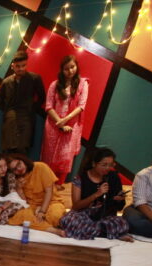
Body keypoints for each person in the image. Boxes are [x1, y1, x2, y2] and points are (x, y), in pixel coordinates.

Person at [59, 148, 131, 240]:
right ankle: (108, 233)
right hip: (84, 216)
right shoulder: (81, 178)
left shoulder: (113, 177)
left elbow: (119, 207)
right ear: (94, 163)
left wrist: (119, 200)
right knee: (68, 220)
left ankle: (89, 231)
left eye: (110, 165)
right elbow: (76, 207)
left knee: (122, 224)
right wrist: (96, 194)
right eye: (104, 165)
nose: (107, 168)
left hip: (105, 217)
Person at [40, 55, 88, 187]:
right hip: (53, 124)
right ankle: (47, 184)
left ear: (76, 66)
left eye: (72, 67)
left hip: (71, 125)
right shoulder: (55, 85)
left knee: (65, 157)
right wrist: (59, 123)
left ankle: (59, 184)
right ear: (62, 70)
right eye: (66, 69)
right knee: (50, 155)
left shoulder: (83, 84)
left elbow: (81, 106)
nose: (70, 71)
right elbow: (49, 106)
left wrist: (65, 120)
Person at [6, 155, 66, 235]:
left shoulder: (41, 167)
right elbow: (25, 202)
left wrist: (42, 211)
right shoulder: (16, 179)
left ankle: (40, 223)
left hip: (52, 202)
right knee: (20, 215)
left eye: (19, 164)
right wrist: (19, 189)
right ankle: (53, 230)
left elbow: (49, 192)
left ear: (23, 160)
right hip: (32, 206)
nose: (19, 169)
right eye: (15, 169)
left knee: (54, 216)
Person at [0, 51, 46, 155]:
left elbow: (42, 97)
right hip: (10, 121)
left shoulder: (35, 78)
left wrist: (31, 108)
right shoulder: (6, 82)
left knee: (23, 153)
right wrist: (8, 113)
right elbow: (1, 102)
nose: (21, 68)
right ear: (13, 66)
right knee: (8, 153)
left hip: (26, 120)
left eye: (23, 65)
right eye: (18, 66)